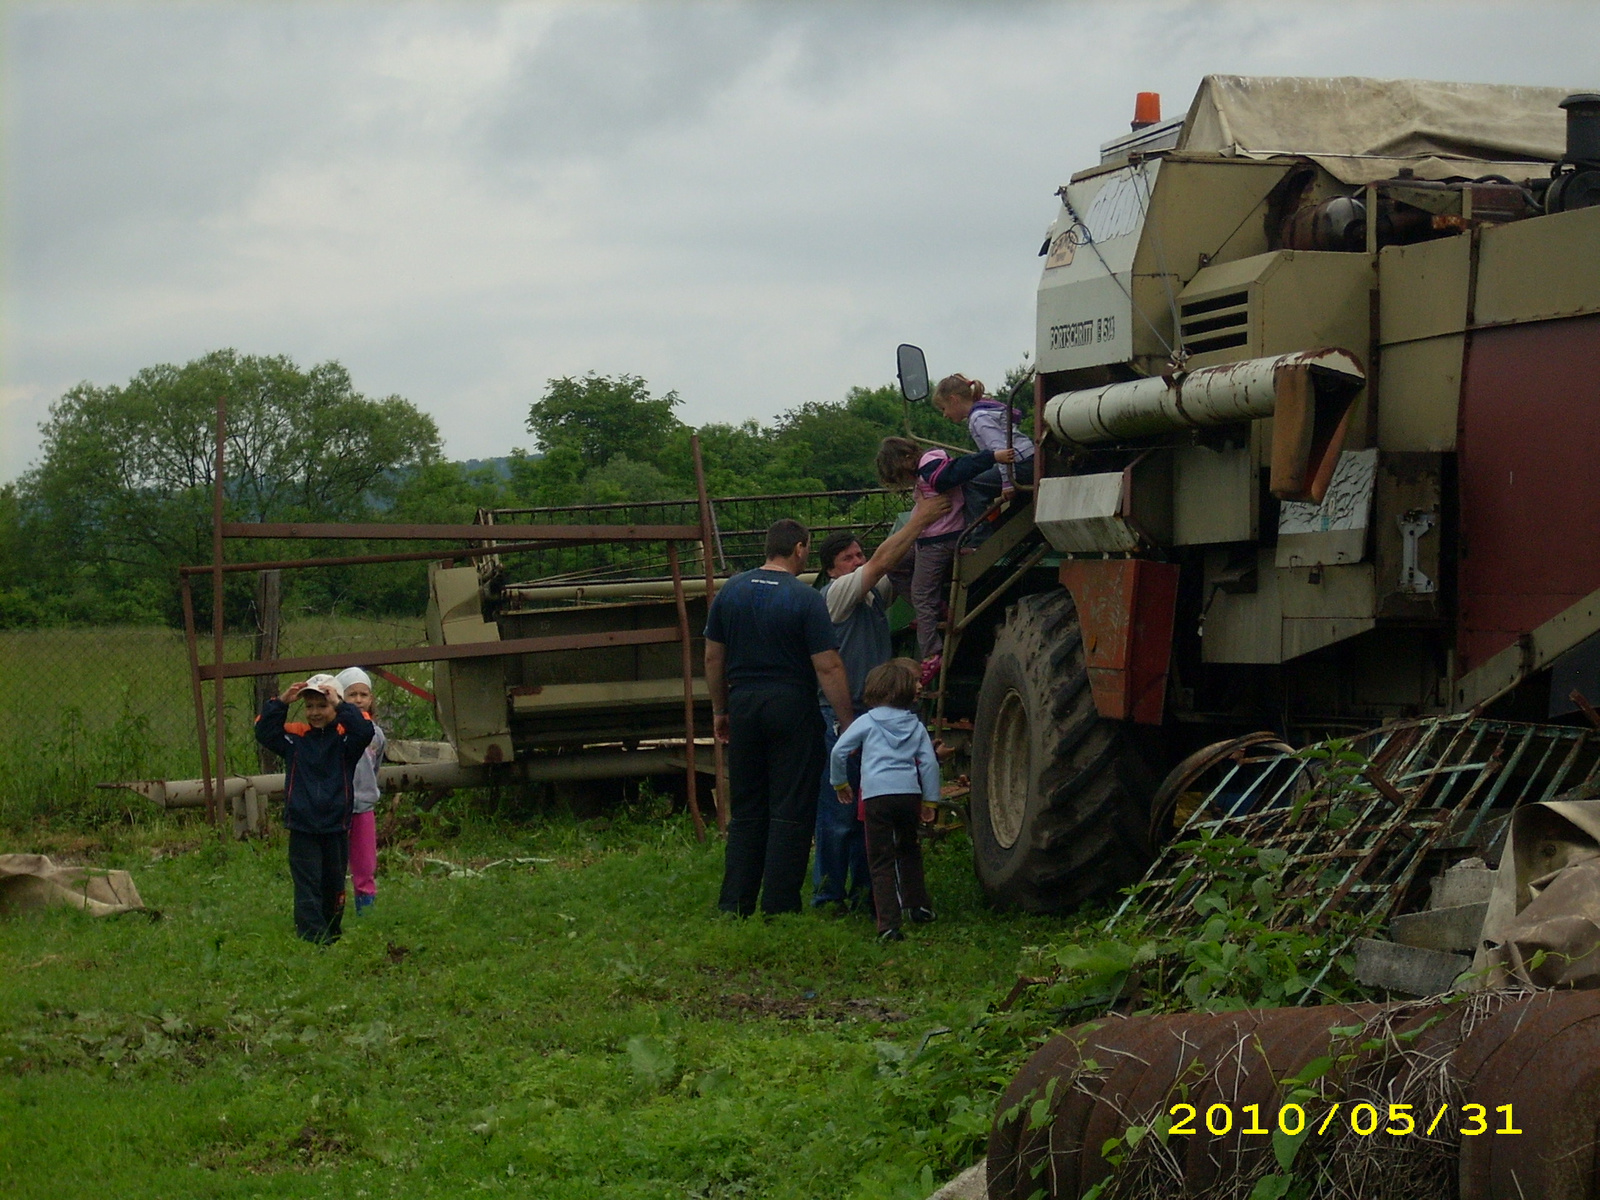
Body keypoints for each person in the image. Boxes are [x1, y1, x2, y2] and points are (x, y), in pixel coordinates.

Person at [705, 518, 855, 917]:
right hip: (791, 706)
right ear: (801, 549)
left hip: (744, 704)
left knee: (748, 807)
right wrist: (848, 723)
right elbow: (828, 667)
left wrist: (721, 709)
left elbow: (712, 657)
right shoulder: (805, 598)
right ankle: (779, 906)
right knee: (791, 806)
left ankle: (734, 904)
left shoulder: (730, 591)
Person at [811, 491, 952, 913]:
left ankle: (864, 892)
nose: (857, 562)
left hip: (872, 712)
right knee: (839, 809)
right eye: (848, 558)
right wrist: (921, 517)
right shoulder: (837, 594)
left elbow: (894, 563)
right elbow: (882, 563)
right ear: (832, 569)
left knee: (867, 808)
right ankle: (829, 895)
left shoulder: (872, 597)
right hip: (842, 711)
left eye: (859, 554)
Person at [876, 436, 1016, 671]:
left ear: (908, 458)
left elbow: (956, 471)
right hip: (928, 538)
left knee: (922, 592)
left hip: (939, 541)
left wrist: (991, 457)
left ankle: (932, 652)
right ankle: (936, 610)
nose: (906, 480)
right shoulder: (927, 470)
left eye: (902, 474)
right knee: (895, 565)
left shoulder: (931, 466)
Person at [254, 673, 374, 944]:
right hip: (302, 824)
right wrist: (281, 702)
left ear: (335, 705)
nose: (315, 712)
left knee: (333, 883)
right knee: (307, 884)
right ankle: (312, 937)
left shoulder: (347, 741)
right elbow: (264, 731)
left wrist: (343, 706)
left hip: (335, 824)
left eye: (323, 705)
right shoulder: (296, 739)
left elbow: (365, 730)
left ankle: (331, 930)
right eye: (309, 706)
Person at [828, 659, 941, 942]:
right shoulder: (915, 725)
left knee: (880, 860)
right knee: (909, 850)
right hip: (908, 794)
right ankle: (918, 906)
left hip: (877, 795)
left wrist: (840, 783)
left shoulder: (866, 722)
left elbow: (839, 752)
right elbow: (928, 764)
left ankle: (889, 924)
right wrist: (930, 802)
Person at [931, 374, 1037, 516]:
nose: (945, 415)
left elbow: (1001, 451)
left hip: (1021, 464)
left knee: (971, 486)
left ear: (953, 400)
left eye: (943, 409)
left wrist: (1007, 482)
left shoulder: (979, 418)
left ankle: (979, 534)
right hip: (1028, 459)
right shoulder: (984, 411)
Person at [335, 667, 387, 915]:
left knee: (365, 864)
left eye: (363, 694)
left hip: (363, 807)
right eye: (351, 694)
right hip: (334, 807)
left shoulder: (376, 735)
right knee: (333, 863)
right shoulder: (333, 734)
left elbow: (374, 767)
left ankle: (366, 912)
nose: (357, 700)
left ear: (371, 699)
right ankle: (333, 910)